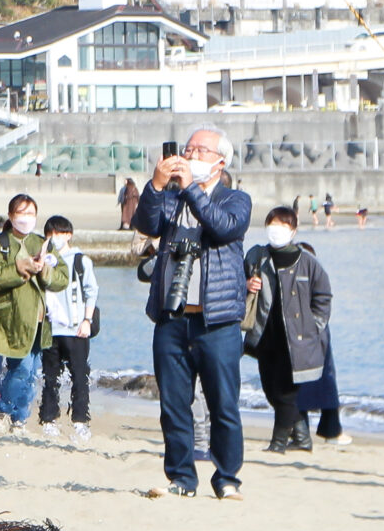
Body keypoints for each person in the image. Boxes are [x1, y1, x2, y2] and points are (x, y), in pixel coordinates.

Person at [135, 125, 254, 499]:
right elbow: (146, 224)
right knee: (173, 404)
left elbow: (223, 227)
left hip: (217, 320)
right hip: (172, 318)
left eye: (200, 150)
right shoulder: (171, 198)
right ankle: (182, 479)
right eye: (187, 149)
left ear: (220, 162)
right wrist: (156, 186)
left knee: (223, 404)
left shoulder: (236, 199)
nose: (190, 155)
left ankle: (227, 478)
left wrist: (190, 188)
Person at [244, 205, 334, 454]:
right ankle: (302, 437)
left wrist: (314, 326)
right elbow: (238, 282)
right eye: (273, 224)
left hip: (296, 340)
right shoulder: (257, 256)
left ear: (293, 230)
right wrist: (247, 284)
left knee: (286, 394)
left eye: (283, 225)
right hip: (265, 335)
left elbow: (323, 296)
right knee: (271, 391)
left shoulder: (307, 262)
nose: (277, 230)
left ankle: (278, 443)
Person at [0, 194, 67, 436]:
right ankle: (0, 411)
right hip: (10, 319)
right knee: (22, 368)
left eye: (30, 213)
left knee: (31, 373)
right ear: (11, 215)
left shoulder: (42, 243)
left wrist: (44, 270)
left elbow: (62, 278)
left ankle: (20, 418)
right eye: (21, 213)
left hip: (39, 321)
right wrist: (20, 268)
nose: (26, 218)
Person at [38, 213, 98, 446]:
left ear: (69, 235)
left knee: (79, 376)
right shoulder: (43, 258)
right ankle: (48, 419)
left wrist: (87, 320)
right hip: (50, 328)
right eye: (51, 233)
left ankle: (80, 421)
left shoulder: (81, 261)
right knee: (50, 376)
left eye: (60, 233)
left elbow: (91, 291)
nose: (55, 237)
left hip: (76, 329)